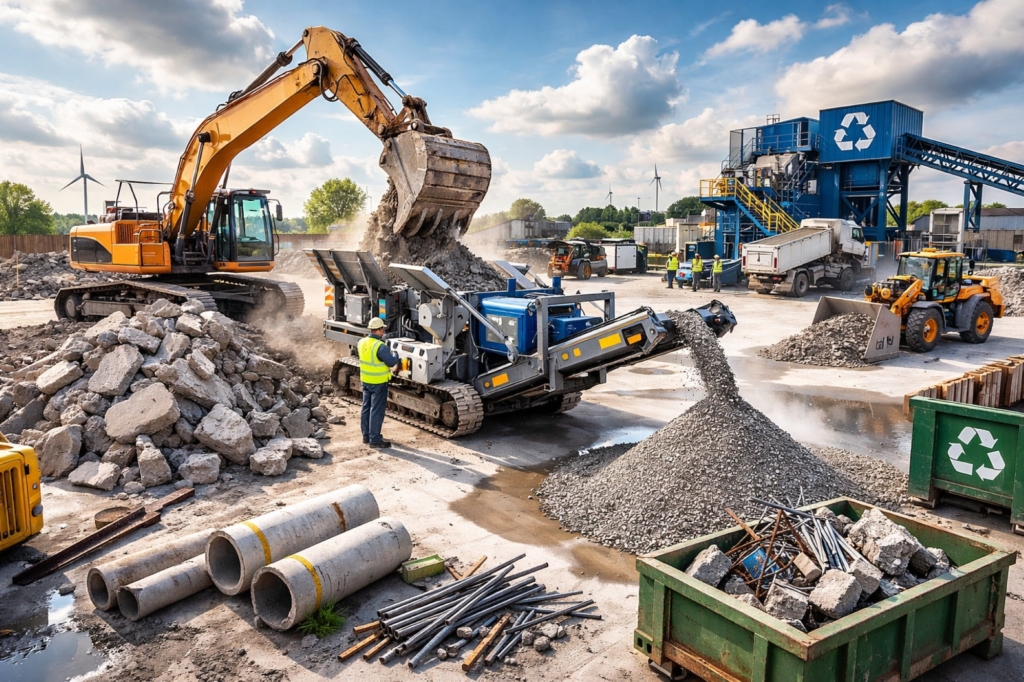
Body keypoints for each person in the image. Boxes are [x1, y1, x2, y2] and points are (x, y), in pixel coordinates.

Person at [358, 317, 400, 448]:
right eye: (383, 330)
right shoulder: (380, 346)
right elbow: (391, 362)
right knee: (376, 411)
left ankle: (366, 436)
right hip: (378, 383)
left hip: (366, 380)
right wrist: (396, 355)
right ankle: (375, 439)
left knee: (366, 408)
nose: (384, 332)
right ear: (379, 330)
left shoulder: (361, 342)